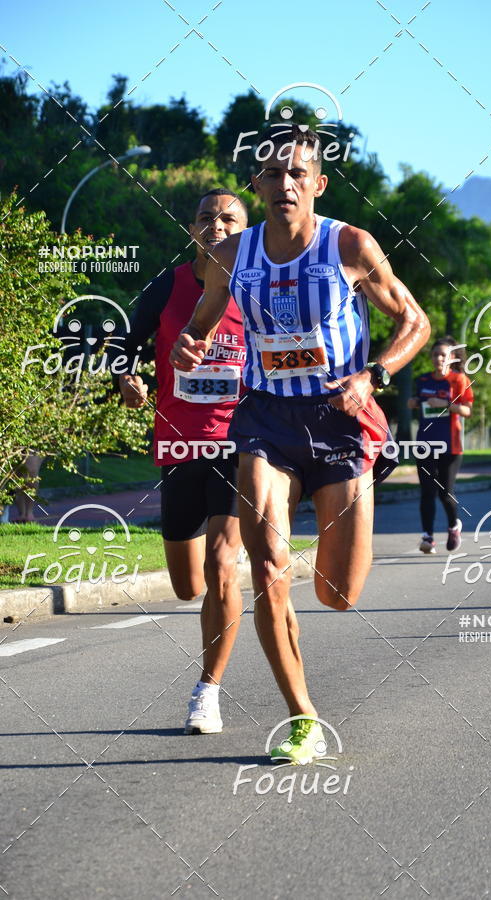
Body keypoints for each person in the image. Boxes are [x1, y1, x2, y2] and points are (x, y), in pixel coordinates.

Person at [170, 124, 430, 762]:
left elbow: (415, 321)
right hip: (266, 421)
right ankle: (302, 717)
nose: (285, 185)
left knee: (338, 593)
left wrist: (375, 374)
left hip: (341, 421)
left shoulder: (350, 245)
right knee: (265, 567)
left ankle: (339, 518)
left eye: (297, 174)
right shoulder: (234, 255)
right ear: (255, 186)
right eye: (272, 175)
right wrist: (190, 342)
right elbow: (202, 319)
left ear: (317, 182)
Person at [120, 188, 248, 734]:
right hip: (179, 445)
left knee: (222, 567)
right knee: (187, 585)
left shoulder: (259, 287)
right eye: (205, 217)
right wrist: (124, 375)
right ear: (191, 227)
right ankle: (214, 605)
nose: (215, 226)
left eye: (228, 219)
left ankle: (207, 691)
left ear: (245, 230)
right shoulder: (167, 285)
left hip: (242, 444)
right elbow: (125, 343)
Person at [408, 337, 473, 554]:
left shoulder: (459, 380)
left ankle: (454, 525)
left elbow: (467, 411)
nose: (439, 358)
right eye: (435, 354)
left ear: (452, 358)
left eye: (443, 355)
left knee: (445, 493)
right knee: (427, 491)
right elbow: (417, 401)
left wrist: (446, 404)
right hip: (425, 443)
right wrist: (414, 403)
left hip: (450, 444)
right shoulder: (423, 380)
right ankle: (428, 537)